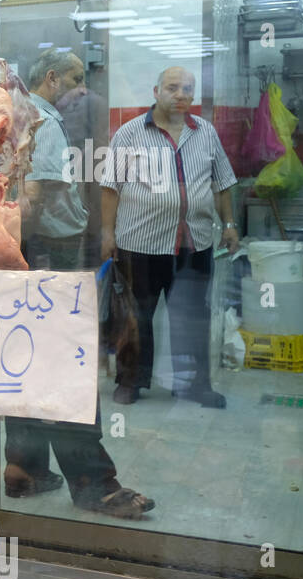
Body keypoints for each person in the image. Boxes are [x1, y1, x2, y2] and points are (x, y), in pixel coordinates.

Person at [5, 50, 154, 519]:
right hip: (51, 252)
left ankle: (25, 468)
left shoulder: (16, 115)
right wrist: (31, 249)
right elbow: (33, 200)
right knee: (67, 362)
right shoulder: (44, 122)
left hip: (29, 255)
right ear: (51, 78)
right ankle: (94, 483)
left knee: (23, 357)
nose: (81, 88)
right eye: (74, 78)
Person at [100, 66, 238, 408]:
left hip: (194, 243)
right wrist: (107, 233)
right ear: (156, 91)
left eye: (187, 89)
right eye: (173, 87)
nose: (181, 94)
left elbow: (222, 183)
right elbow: (110, 188)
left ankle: (194, 385)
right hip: (139, 243)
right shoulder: (130, 133)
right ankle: (130, 382)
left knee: (192, 317)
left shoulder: (205, 132)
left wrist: (230, 223)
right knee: (136, 317)